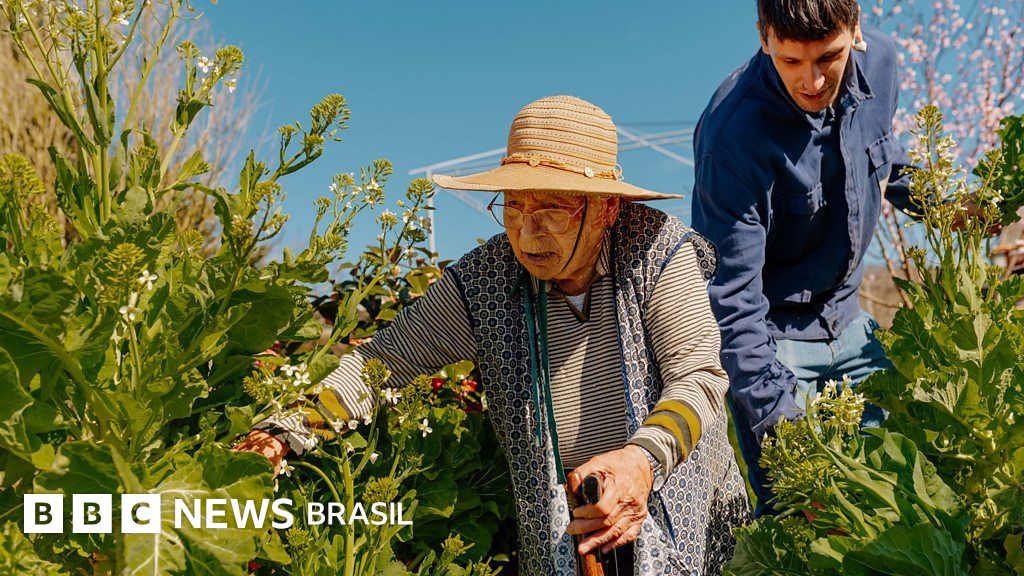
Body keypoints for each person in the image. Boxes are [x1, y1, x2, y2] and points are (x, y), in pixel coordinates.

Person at [238, 95, 749, 574]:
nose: (528, 233)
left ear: (607, 209)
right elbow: (383, 362)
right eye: (514, 207)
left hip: (680, 506)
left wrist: (640, 461)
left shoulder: (658, 252)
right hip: (568, 525)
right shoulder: (486, 280)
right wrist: (282, 434)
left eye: (552, 209)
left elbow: (698, 378)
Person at [690, 0, 922, 517]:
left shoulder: (881, 61)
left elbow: (884, 153)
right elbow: (730, 304)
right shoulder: (732, 136)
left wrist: (947, 202)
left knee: (899, 500)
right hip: (773, 340)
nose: (812, 81)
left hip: (850, 318)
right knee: (806, 518)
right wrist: (784, 430)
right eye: (790, 60)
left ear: (855, 30)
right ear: (763, 36)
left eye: (828, 57)